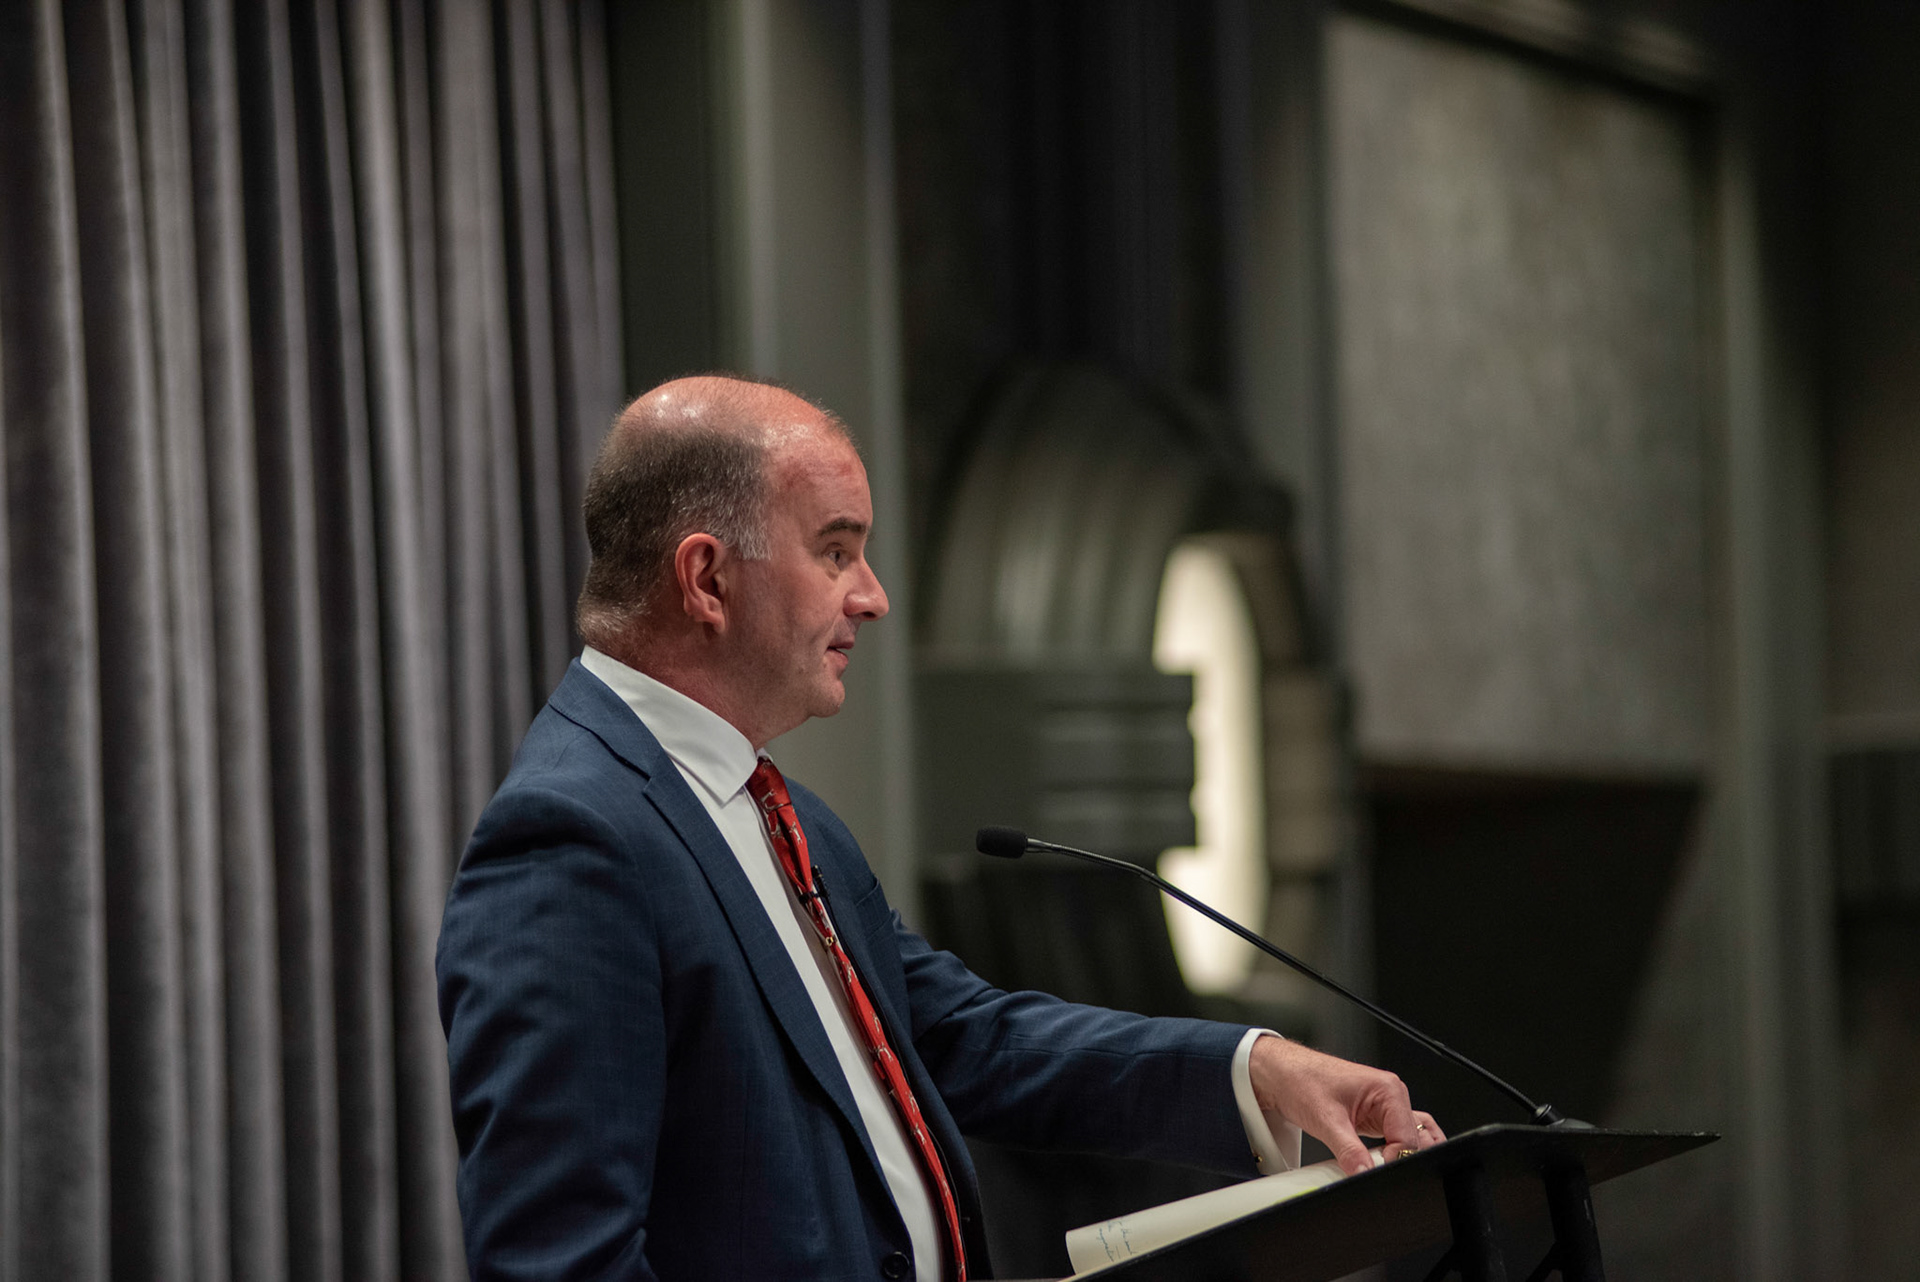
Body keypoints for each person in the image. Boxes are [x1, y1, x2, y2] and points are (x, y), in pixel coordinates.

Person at [436, 375, 1442, 1282]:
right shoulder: (572, 842)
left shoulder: (784, 815)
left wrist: (1256, 1070)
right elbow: (557, 1260)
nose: (872, 597)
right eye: (836, 551)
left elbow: (965, 1040)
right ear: (707, 579)